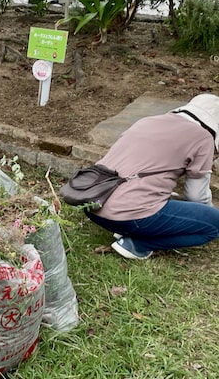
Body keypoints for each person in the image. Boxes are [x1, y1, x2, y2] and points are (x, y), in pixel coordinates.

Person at [85, 94, 219, 260]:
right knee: (213, 224)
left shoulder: (148, 121)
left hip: (92, 203)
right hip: (128, 214)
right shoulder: (203, 137)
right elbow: (196, 196)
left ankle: (125, 228)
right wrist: (207, 212)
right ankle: (138, 245)